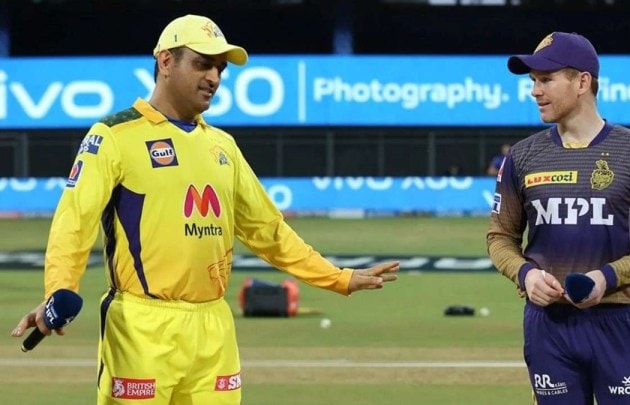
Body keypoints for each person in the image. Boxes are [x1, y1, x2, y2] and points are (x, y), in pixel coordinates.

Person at [10, 14, 399, 405]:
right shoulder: (113, 136)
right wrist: (58, 291)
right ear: (165, 62)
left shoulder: (223, 147)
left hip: (213, 328)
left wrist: (339, 278)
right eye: (202, 63)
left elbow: (269, 231)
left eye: (220, 68)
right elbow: (73, 222)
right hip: (141, 328)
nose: (214, 77)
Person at [486, 31, 630, 404]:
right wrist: (525, 273)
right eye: (533, 82)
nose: (534, 91)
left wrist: (607, 278)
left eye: (546, 79)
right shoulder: (522, 157)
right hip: (547, 327)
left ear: (582, 82)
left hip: (615, 324)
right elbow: (499, 237)